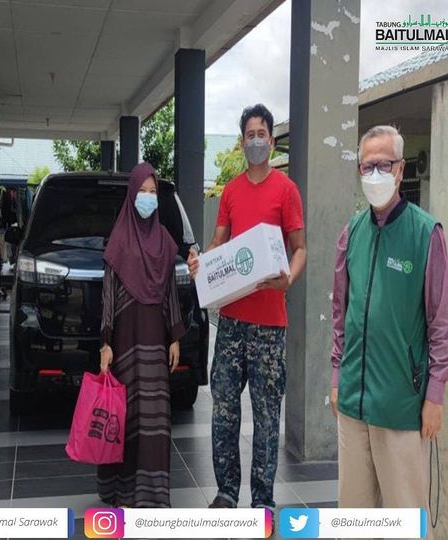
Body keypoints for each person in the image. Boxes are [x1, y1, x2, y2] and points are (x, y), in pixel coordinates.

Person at [330, 125, 448, 534]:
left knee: (404, 521)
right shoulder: (352, 233)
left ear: (400, 169)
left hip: (401, 404)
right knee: (355, 518)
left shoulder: (425, 234)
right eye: (366, 167)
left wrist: (434, 395)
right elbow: (340, 312)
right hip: (353, 403)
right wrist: (337, 377)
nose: (374, 175)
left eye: (383, 165)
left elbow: (443, 324)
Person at [187, 104, 307, 513]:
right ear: (242, 143)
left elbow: (300, 248)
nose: (256, 141)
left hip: (270, 325)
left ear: (271, 140)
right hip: (232, 323)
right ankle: (225, 492)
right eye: (250, 135)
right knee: (223, 409)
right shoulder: (232, 192)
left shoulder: (286, 191)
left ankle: (263, 501)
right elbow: (218, 243)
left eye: (262, 134)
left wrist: (288, 278)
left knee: (267, 415)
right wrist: (201, 262)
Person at [97, 161, 185, 508]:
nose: (148, 197)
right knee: (126, 417)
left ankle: (152, 494)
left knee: (155, 418)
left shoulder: (164, 240)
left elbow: (170, 292)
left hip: (155, 341)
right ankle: (121, 492)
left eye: (153, 192)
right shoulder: (119, 238)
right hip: (125, 343)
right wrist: (105, 343)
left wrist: (175, 336)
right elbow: (108, 294)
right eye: (142, 192)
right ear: (131, 195)